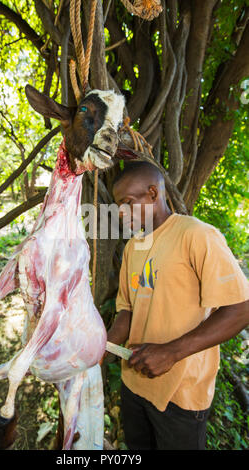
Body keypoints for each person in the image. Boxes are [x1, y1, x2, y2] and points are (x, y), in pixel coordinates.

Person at [103, 161, 249, 450]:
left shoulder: (196, 235)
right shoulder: (134, 246)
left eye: (127, 203)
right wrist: (102, 346)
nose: (121, 213)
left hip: (181, 394)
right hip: (134, 384)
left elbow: (240, 308)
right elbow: (126, 310)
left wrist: (171, 352)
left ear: (153, 193)